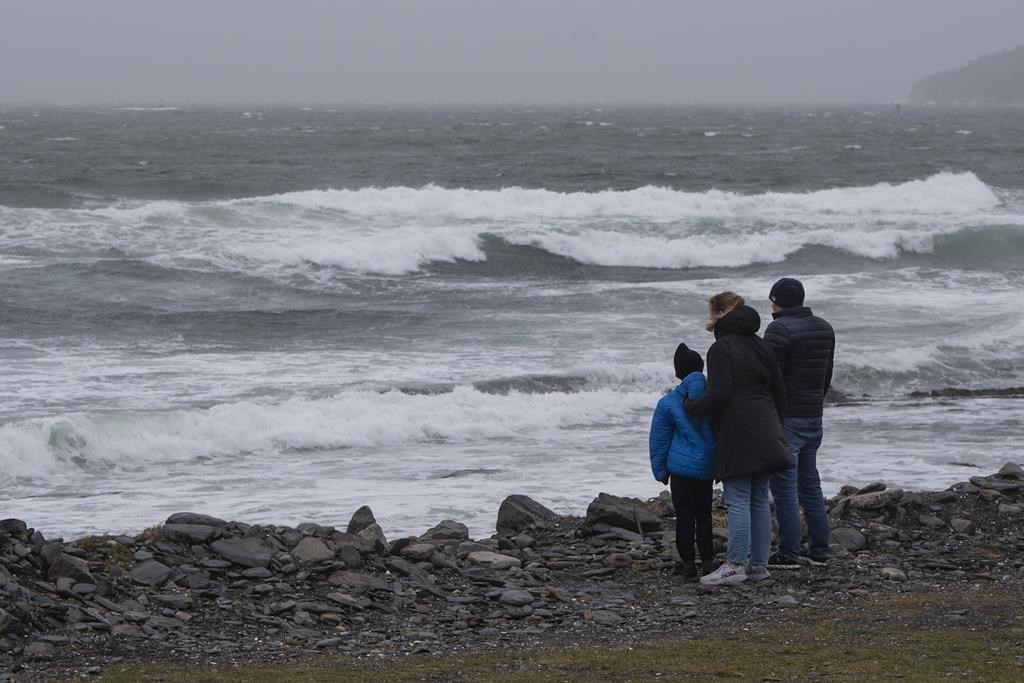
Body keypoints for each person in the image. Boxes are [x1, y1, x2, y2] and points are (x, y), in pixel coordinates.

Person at [684, 292, 790, 586]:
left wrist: (691, 407)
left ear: (718, 314)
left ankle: (733, 565)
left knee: (738, 499)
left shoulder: (721, 349)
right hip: (767, 426)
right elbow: (780, 392)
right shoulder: (762, 344)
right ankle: (758, 566)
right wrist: (776, 426)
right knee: (758, 499)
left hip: (739, 430)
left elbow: (720, 394)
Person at [764, 277, 836, 568]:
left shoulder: (778, 328)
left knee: (784, 489)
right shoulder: (824, 327)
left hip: (787, 419)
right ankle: (819, 549)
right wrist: (816, 401)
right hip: (813, 415)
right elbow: (826, 374)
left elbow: (769, 378)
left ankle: (789, 553)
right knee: (810, 485)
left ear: (776, 300)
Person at [648, 343, 716, 579]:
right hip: (707, 468)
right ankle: (708, 560)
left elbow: (659, 439)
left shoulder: (668, 402)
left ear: (679, 373)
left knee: (685, 515)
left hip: (680, 470)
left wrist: (660, 471)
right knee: (704, 514)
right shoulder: (715, 397)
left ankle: (688, 563)